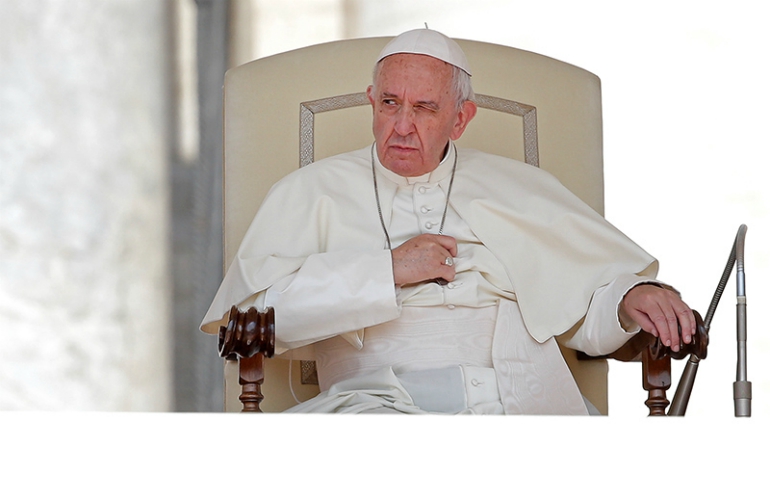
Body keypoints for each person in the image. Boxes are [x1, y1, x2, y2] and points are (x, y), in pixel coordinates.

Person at [200, 28, 695, 414]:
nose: (401, 126)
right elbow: (253, 323)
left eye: (424, 109)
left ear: (461, 119)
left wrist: (629, 298)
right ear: (372, 102)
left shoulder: (522, 187)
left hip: (522, 401)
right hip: (373, 405)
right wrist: (385, 270)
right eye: (390, 103)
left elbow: (584, 308)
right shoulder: (307, 192)